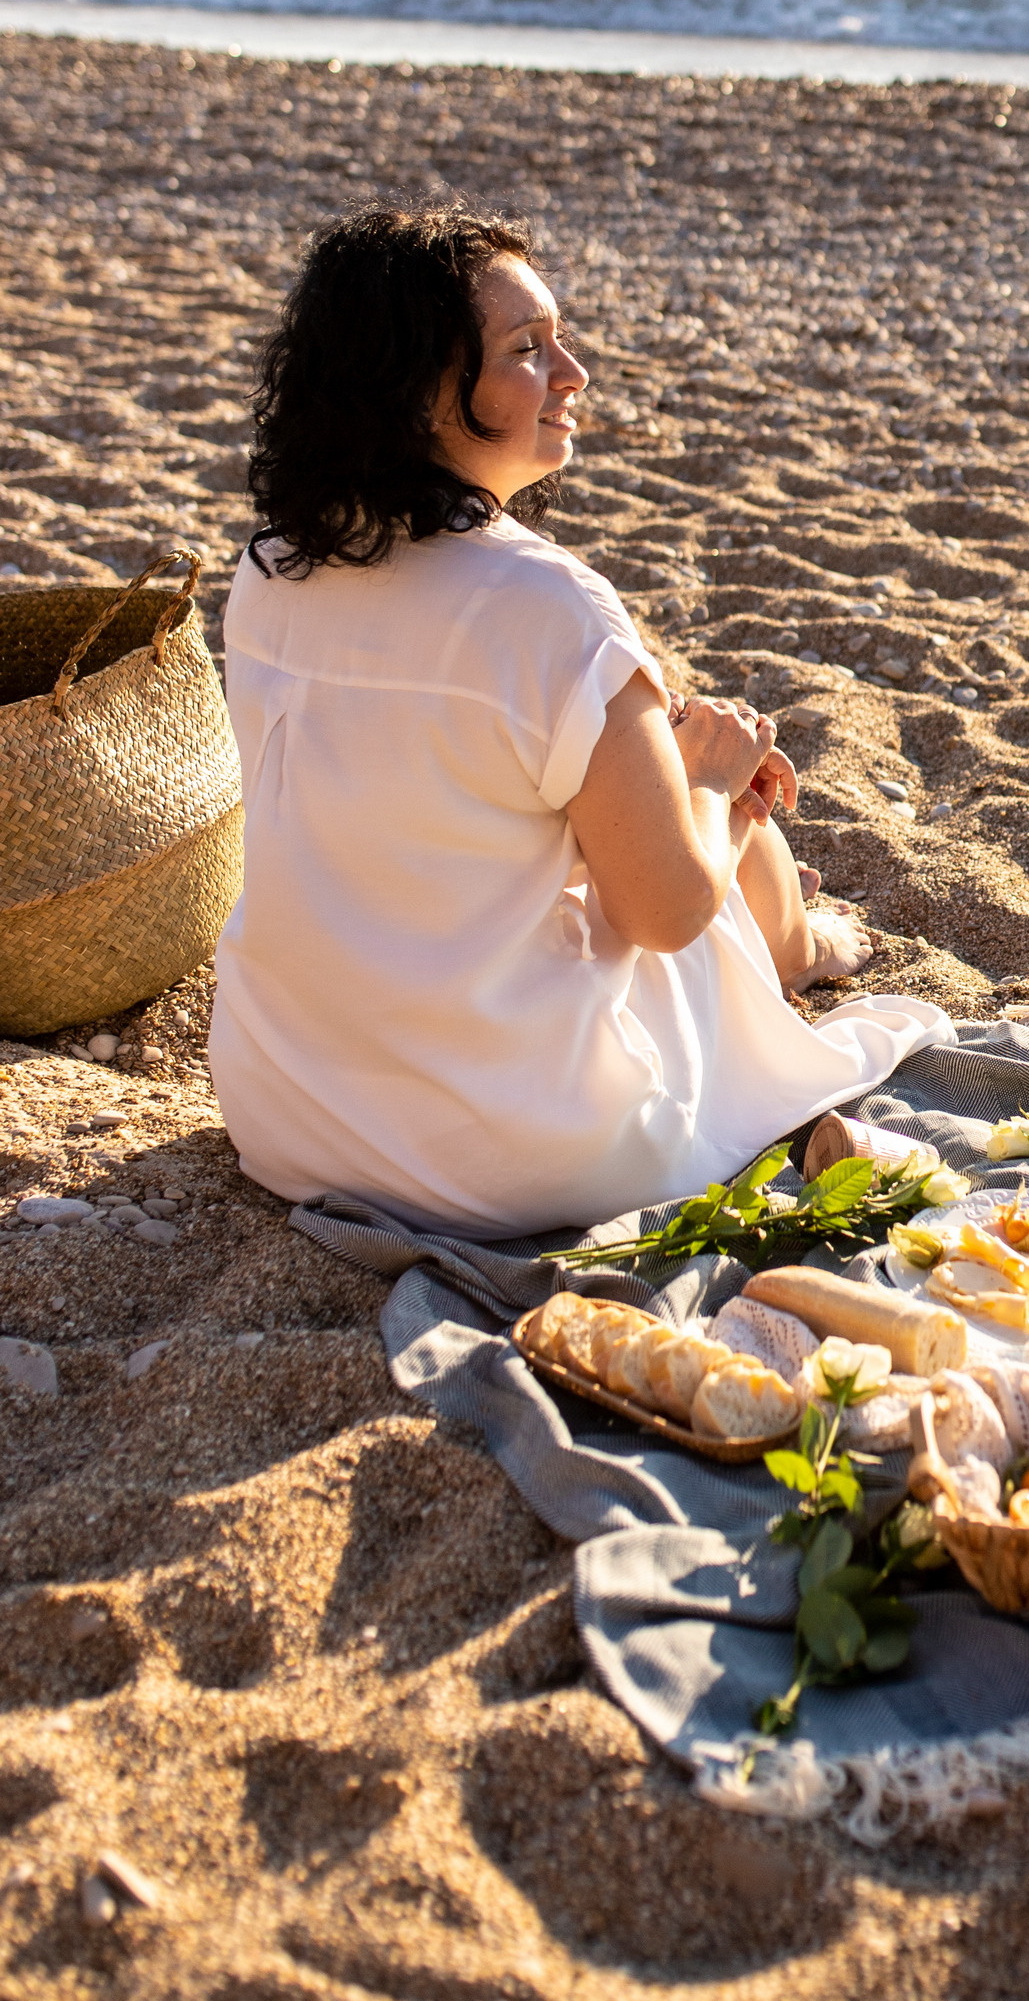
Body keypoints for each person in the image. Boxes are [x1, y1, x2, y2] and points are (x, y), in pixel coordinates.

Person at [206, 205, 952, 1235]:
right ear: (418, 391)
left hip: (290, 1115)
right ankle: (795, 943)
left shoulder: (271, 570)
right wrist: (708, 786)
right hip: (519, 1156)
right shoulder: (548, 606)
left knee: (658, 795)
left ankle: (793, 935)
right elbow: (662, 917)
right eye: (525, 351)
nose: (573, 371)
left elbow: (415, 828)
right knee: (713, 812)